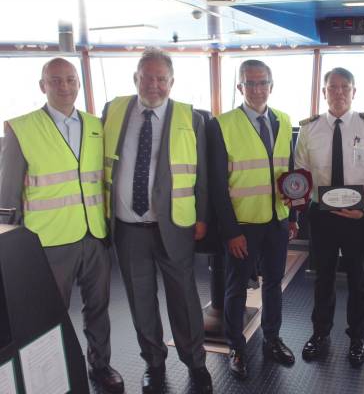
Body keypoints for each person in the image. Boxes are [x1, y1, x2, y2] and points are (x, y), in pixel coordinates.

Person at [0, 58, 124, 393]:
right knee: (49, 314)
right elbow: (7, 194)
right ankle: (55, 374)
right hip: (48, 240)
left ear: (79, 84)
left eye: (70, 80)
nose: (65, 86)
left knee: (99, 307)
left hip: (95, 235)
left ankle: (101, 366)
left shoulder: (96, 125)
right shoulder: (20, 128)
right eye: (56, 81)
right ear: (43, 85)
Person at [102, 48, 212, 393]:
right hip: (128, 227)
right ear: (135, 78)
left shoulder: (191, 117)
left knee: (184, 299)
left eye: (160, 79)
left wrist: (203, 218)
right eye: (146, 77)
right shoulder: (113, 110)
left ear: (171, 82)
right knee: (140, 298)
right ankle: (153, 362)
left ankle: (196, 364)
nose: (153, 85)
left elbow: (203, 174)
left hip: (175, 226)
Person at [206, 59, 296, 380]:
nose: (257, 89)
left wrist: (293, 213)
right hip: (242, 225)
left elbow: (291, 174)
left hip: (277, 221)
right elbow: (217, 185)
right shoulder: (221, 124)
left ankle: (272, 338)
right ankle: (236, 347)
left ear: (272, 85)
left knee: (274, 283)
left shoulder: (284, 120)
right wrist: (230, 231)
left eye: (263, 83)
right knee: (236, 288)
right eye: (250, 83)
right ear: (240, 87)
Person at [296, 67, 364, 366]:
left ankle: (357, 338)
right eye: (332, 87)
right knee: (322, 277)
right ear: (323, 92)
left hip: (357, 216)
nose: (338, 93)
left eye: (344, 87)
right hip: (321, 215)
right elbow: (303, 173)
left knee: (358, 278)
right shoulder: (309, 129)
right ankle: (320, 334)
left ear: (354, 91)